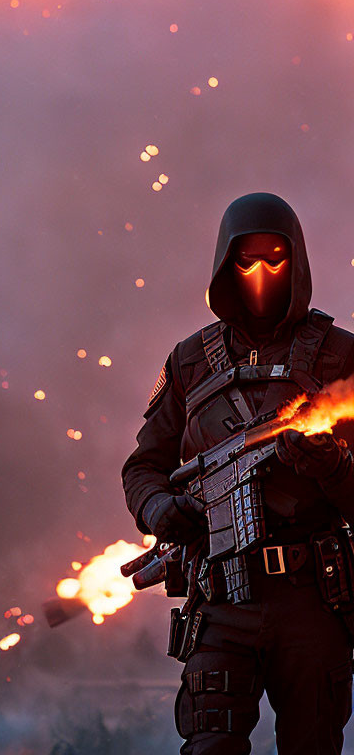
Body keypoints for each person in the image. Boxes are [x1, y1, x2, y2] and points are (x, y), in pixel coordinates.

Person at [122, 192, 354, 754]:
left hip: (311, 600)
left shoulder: (340, 357)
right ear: (225, 265)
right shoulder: (190, 361)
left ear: (295, 260)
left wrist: (331, 466)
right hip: (221, 597)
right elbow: (144, 466)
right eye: (244, 260)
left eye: (274, 257)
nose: (259, 274)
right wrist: (159, 509)